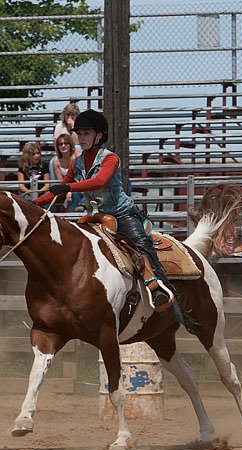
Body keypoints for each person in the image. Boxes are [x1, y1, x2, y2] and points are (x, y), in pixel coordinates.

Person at [35, 109, 182, 321]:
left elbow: (99, 181)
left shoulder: (110, 159)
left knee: (140, 243)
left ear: (99, 135)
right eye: (80, 133)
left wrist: (67, 188)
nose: (81, 138)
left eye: (86, 133)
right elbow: (59, 188)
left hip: (122, 214)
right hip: (94, 216)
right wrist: (34, 203)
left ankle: (157, 287)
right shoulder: (77, 163)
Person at [51, 133, 81, 211]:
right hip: (64, 188)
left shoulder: (77, 156)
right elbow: (61, 181)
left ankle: (73, 217)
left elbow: (79, 177)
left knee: (76, 195)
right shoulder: (56, 161)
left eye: (66, 143)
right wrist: (67, 191)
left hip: (78, 186)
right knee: (50, 196)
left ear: (70, 144)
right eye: (60, 144)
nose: (63, 146)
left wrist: (70, 191)